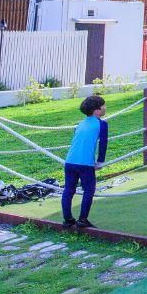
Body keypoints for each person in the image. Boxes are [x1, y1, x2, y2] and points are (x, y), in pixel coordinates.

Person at [63, 95, 108, 229]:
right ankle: (83, 220)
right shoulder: (102, 124)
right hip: (85, 164)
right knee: (89, 190)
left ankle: (67, 220)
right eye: (104, 105)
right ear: (97, 110)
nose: (105, 108)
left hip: (69, 162)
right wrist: (100, 162)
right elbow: (103, 144)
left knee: (68, 190)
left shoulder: (80, 124)